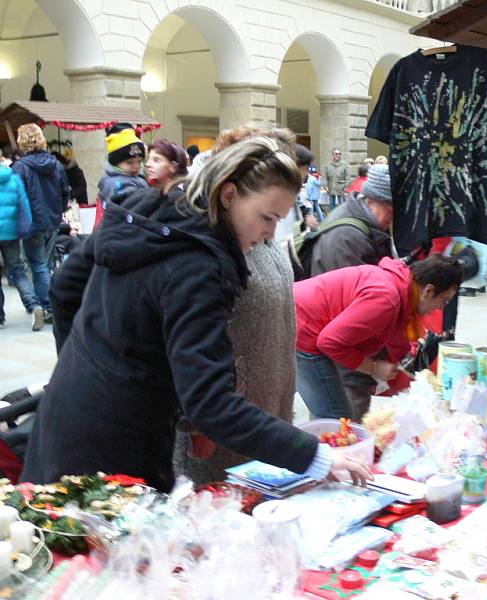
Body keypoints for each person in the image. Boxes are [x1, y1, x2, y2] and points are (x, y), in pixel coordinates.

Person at [21, 136, 372, 492]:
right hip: (115, 450)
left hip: (67, 410)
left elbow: (65, 287)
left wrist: (83, 366)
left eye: (278, 220)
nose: (269, 234)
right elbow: (210, 402)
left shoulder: (145, 206)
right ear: (229, 194)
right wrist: (315, 456)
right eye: (266, 217)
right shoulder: (199, 267)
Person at [173, 126, 315, 485]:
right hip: (224, 424)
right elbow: (190, 347)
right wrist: (194, 421)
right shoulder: (209, 254)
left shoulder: (259, 236)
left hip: (269, 406)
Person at [294, 254, 462, 419]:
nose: (441, 308)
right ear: (428, 291)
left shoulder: (402, 287)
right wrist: (373, 367)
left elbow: (395, 332)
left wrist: (408, 366)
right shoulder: (387, 300)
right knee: (337, 421)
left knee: (333, 417)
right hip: (302, 329)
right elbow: (329, 342)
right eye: (444, 301)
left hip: (302, 318)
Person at [307, 163, 396, 419]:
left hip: (339, 343)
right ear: (372, 201)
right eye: (389, 212)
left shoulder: (362, 225)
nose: (391, 221)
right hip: (337, 349)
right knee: (342, 420)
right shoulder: (348, 237)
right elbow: (354, 313)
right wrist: (370, 364)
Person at [10, 123, 71, 329]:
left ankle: (47, 307)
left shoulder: (20, 167)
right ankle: (49, 304)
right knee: (46, 264)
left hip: (32, 222)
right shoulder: (55, 164)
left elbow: (16, 196)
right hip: (53, 220)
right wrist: (59, 211)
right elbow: (65, 191)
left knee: (37, 265)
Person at [0, 163, 33, 329]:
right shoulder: (13, 178)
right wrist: (25, 227)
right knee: (18, 270)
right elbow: (24, 204)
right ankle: (33, 305)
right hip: (11, 233)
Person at [95, 123, 148, 224]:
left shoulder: (137, 177)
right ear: (116, 163)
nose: (136, 166)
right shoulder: (115, 184)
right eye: (129, 162)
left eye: (139, 161)